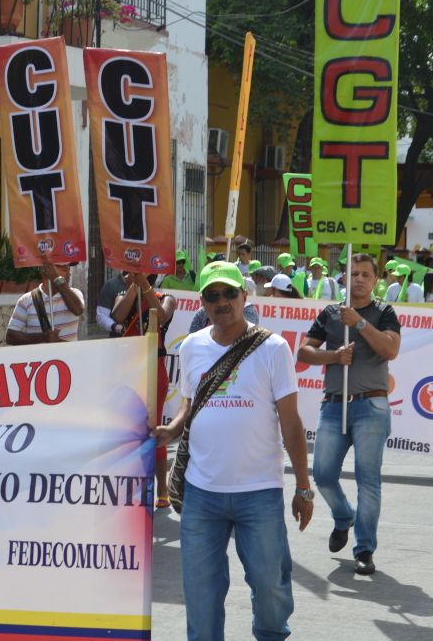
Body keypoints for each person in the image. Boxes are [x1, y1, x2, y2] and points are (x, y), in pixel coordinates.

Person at [155, 260, 313, 640]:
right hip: (201, 494)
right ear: (203, 303)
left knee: (271, 588)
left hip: (258, 492)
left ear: (245, 296)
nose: (221, 301)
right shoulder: (191, 347)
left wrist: (304, 487)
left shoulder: (273, 349)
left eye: (229, 293)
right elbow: (191, 403)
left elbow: (291, 423)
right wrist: (173, 429)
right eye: (212, 295)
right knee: (201, 594)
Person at [299, 253, 401, 576]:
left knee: (368, 480)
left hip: (371, 405)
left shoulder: (384, 312)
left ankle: (364, 549)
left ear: (375, 279)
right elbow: (303, 351)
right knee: (323, 474)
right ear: (345, 278)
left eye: (365, 274)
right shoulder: (330, 313)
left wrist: (358, 323)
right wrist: (333, 355)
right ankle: (344, 515)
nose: (358, 278)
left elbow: (390, 349)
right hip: (333, 404)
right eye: (353, 273)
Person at [111, 272, 177, 508]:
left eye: (132, 272)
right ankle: (132, 484)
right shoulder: (123, 296)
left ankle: (161, 488)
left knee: (153, 426)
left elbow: (160, 316)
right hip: (126, 369)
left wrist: (144, 286)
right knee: (128, 428)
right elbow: (117, 315)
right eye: (127, 273)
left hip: (153, 369)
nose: (127, 275)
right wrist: (133, 288)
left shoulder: (165, 297)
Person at [5, 262, 85, 344]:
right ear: (45, 269)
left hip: (69, 356)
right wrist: (43, 337)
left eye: (69, 268)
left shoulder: (75, 293)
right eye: (64, 268)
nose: (69, 273)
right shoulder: (26, 300)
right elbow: (10, 336)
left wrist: (57, 278)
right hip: (40, 356)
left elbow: (78, 310)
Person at [95, 269, 128, 336]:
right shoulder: (111, 285)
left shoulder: (145, 284)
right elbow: (101, 315)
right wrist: (114, 326)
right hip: (119, 336)